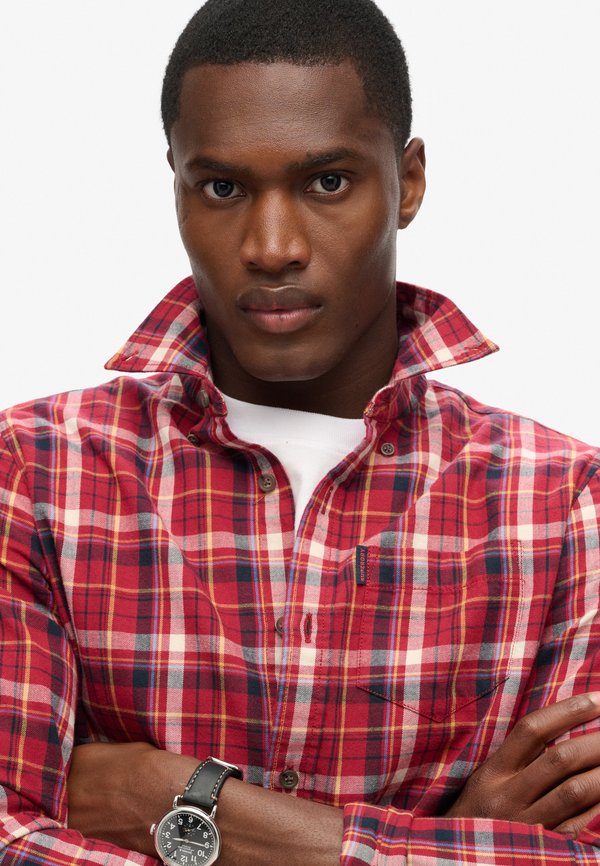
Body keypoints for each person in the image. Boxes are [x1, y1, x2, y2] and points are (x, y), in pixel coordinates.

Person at [0, 0, 599, 864]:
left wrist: (189, 807)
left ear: (409, 182)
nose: (272, 245)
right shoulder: (33, 473)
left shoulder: (567, 507)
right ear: (176, 185)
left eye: (327, 183)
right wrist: (452, 842)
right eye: (222, 188)